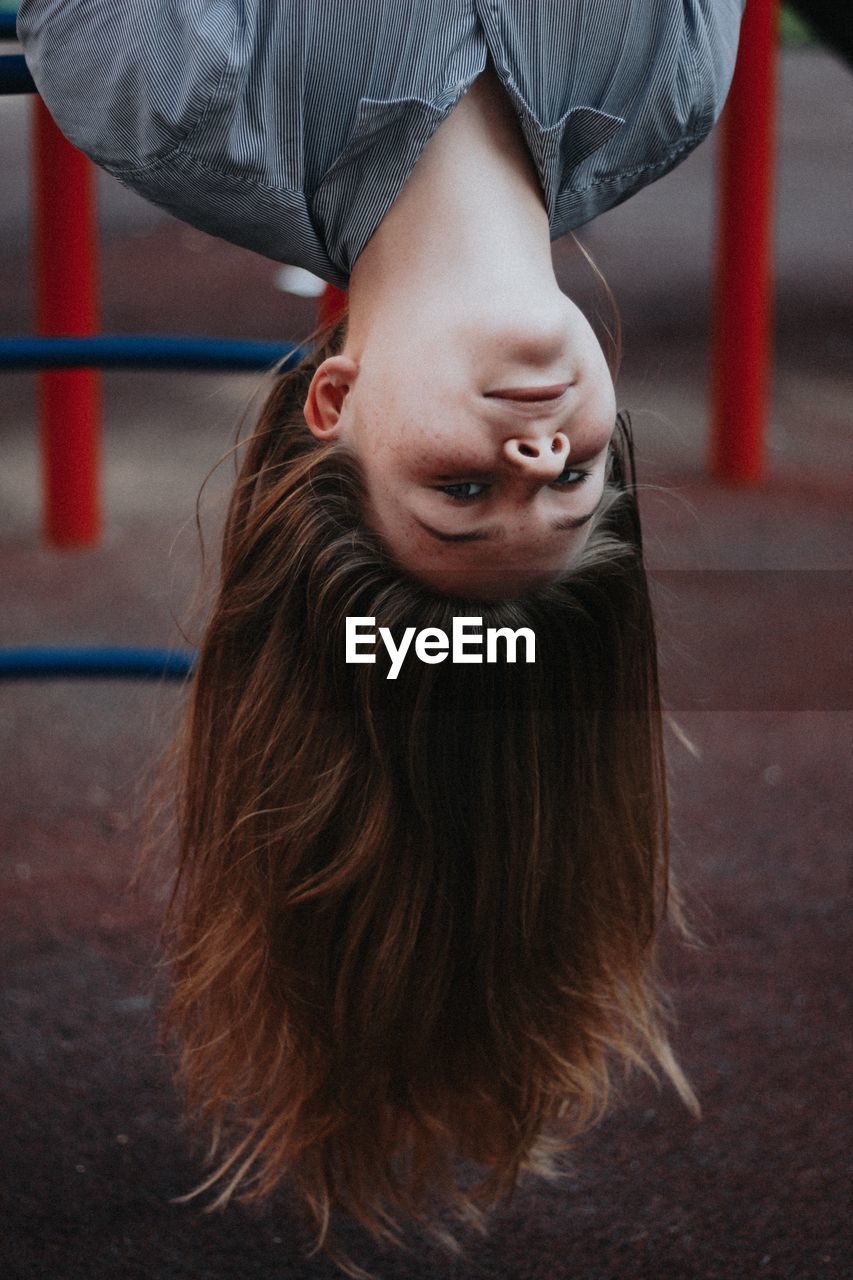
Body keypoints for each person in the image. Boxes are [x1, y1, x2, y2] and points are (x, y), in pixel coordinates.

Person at [18, 3, 745, 1276]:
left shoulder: (171, 91)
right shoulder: (679, 75)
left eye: (464, 496)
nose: (533, 449)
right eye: (570, 482)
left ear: (333, 403)